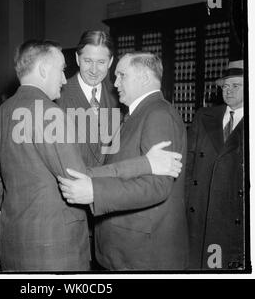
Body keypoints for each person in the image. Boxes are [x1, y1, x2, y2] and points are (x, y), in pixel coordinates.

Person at [0, 42, 183, 271]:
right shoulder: (50, 112)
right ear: (44, 69)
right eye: (61, 70)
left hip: (10, 244)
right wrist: (146, 164)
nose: (65, 80)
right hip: (55, 249)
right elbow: (78, 178)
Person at [58, 52, 189, 270]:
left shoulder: (159, 114)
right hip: (128, 249)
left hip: (144, 255)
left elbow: (158, 186)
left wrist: (95, 192)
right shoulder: (135, 114)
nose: (114, 83)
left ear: (145, 78)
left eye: (122, 75)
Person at [185, 59, 245, 270]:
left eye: (235, 86)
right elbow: (188, 163)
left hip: (234, 215)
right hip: (199, 209)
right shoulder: (204, 116)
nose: (228, 91)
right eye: (225, 86)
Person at [56, 30, 119, 167]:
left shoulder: (119, 98)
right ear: (78, 59)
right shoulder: (58, 97)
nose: (94, 70)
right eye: (88, 61)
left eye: (101, 62)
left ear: (110, 62)